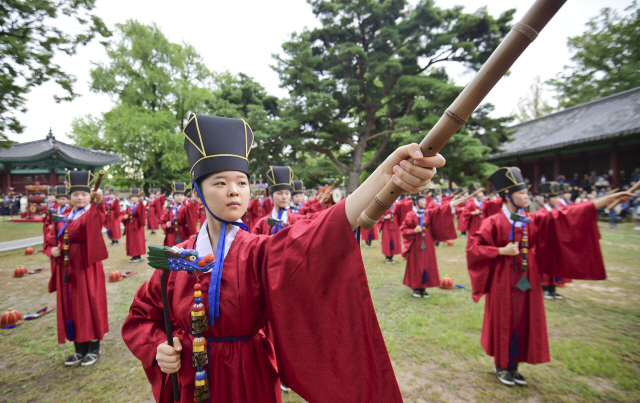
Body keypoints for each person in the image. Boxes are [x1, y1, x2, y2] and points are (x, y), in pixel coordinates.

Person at [123, 114, 442, 403]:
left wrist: (385, 175)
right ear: (198, 192)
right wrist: (158, 348)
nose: (234, 191)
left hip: (250, 380)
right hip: (192, 381)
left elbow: (321, 231)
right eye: (220, 183)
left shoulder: (259, 251)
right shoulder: (176, 261)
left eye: (242, 182)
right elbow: (140, 317)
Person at [466, 167, 633, 387]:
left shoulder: (532, 219)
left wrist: (602, 201)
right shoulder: (493, 222)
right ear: (508, 196)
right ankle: (502, 365)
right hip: (503, 279)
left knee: (524, 317)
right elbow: (473, 248)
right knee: (505, 318)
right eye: (523, 193)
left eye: (527, 193)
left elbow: (564, 215)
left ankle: (515, 366)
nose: (527, 196)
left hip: (529, 278)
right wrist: (499, 251)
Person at [43, 171, 109, 367]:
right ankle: (79, 349)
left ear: (90, 196)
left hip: (86, 266)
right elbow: (48, 240)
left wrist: (98, 203)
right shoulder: (62, 216)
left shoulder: (91, 213)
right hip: (67, 270)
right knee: (71, 306)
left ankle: (94, 347)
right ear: (69, 198)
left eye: (84, 194)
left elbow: (96, 219)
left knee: (89, 304)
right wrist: (51, 250)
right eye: (75, 195)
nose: (80, 198)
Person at [400, 190, 460, 298]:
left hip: (427, 241)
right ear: (416, 202)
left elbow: (439, 210)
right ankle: (416, 288)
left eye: (424, 199)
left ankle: (424, 288)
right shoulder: (410, 215)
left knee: (427, 263)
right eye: (422, 200)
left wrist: (452, 204)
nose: (425, 202)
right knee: (417, 264)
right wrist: (413, 230)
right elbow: (403, 229)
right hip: (416, 243)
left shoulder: (427, 213)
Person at [252, 166, 301, 235]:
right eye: (279, 193)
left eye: (287, 193)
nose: (284, 197)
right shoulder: (262, 223)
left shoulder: (297, 220)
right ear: (271, 196)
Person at [159, 182, 197, 247]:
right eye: (177, 195)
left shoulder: (185, 208)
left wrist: (193, 200)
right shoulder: (169, 209)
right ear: (173, 196)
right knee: (171, 252)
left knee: (183, 253)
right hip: (171, 234)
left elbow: (191, 211)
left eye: (181, 196)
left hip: (183, 234)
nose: (179, 197)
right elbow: (162, 222)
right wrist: (166, 225)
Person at [123, 187, 146, 263]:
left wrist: (141, 203)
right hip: (130, 226)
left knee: (137, 241)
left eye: (136, 197)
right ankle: (133, 255)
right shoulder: (130, 206)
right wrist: (125, 217)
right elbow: (127, 214)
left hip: (137, 226)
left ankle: (138, 256)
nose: (134, 199)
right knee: (131, 241)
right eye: (133, 197)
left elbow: (142, 213)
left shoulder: (139, 205)